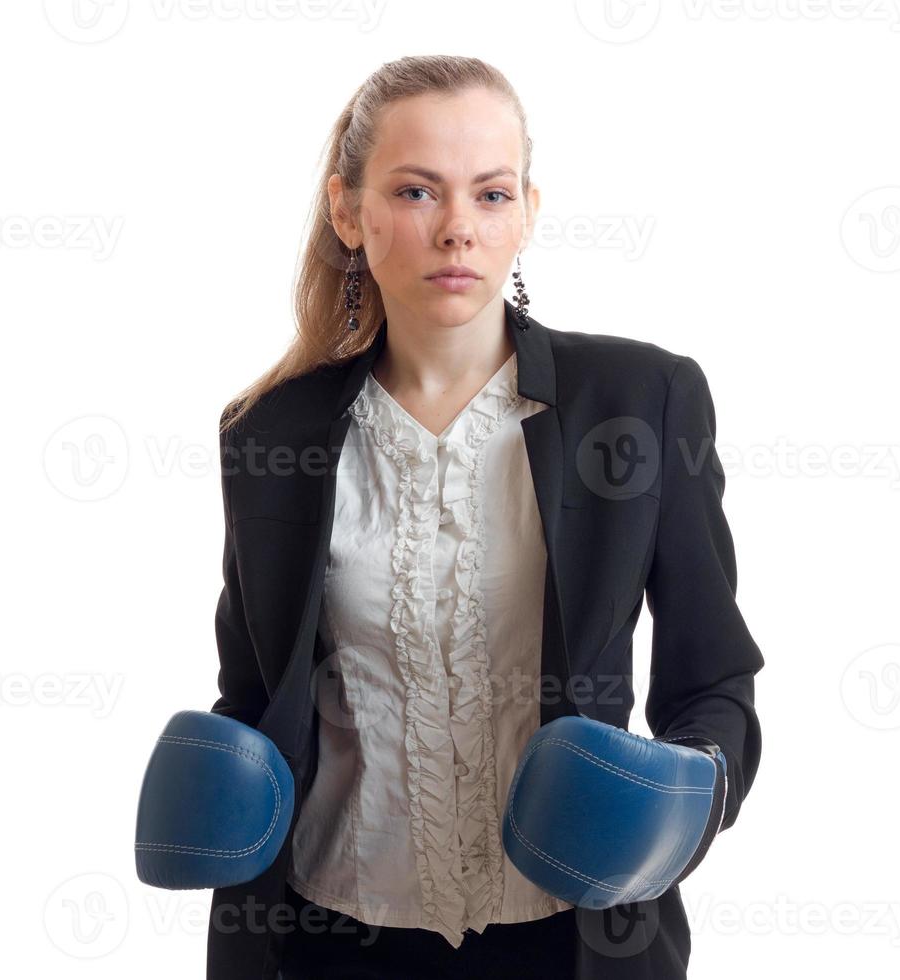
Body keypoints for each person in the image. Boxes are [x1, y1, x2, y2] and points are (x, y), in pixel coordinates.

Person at [208, 54, 765, 980]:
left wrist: (687, 791)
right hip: (331, 940)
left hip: (575, 940)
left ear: (528, 214)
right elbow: (255, 694)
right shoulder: (271, 433)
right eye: (418, 192)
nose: (458, 229)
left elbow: (716, 680)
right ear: (349, 213)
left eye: (492, 194)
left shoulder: (641, 400)